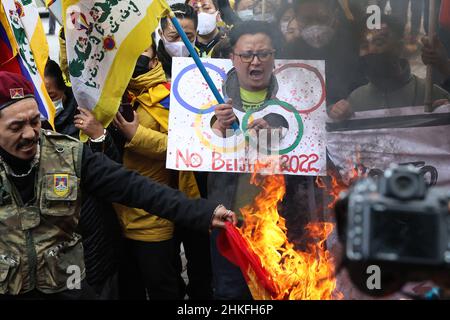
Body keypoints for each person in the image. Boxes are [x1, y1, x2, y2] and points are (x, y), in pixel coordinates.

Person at [0, 71, 236, 299]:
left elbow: (136, 188)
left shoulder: (68, 154)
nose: (30, 134)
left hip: (65, 287)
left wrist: (205, 212)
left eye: (34, 121)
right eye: (16, 126)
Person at [208, 20, 297, 300]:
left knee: (278, 292)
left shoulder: (294, 99)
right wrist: (218, 130)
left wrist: (276, 138)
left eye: (264, 54)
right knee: (231, 294)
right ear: (233, 56)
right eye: (246, 55)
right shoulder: (213, 97)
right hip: (229, 224)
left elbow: (312, 154)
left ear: (274, 57)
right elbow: (196, 156)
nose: (255, 62)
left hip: (279, 222)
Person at [329, 15, 450, 120]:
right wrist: (336, 114)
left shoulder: (429, 94)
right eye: (365, 45)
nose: (371, 50)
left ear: (400, 47)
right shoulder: (356, 101)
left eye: (379, 42)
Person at [281, 0, 367, 109]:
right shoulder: (291, 52)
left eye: (322, 19)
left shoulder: (355, 43)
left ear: (334, 15)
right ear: (297, 18)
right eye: (307, 20)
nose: (315, 27)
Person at [157, 3, 198, 79]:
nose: (181, 43)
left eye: (188, 37)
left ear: (196, 34)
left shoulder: (205, 65)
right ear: (161, 34)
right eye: (174, 36)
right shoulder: (151, 69)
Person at [44, 60, 78, 137]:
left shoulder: (83, 115)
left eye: (50, 97)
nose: (44, 104)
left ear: (63, 88)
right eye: (39, 98)